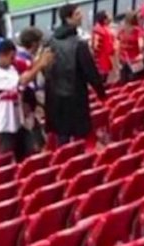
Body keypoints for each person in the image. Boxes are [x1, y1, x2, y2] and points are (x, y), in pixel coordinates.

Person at [44, 4, 106, 146]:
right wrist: (101, 94)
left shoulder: (51, 41)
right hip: (75, 97)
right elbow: (91, 73)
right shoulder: (79, 45)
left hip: (55, 97)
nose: (81, 16)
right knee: (78, 136)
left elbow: (45, 68)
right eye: (77, 14)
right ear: (68, 18)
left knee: (62, 135)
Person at [0, 40, 52, 160]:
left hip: (18, 121)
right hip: (4, 125)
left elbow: (24, 81)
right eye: (11, 57)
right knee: (4, 159)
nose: (13, 59)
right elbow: (22, 81)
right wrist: (41, 64)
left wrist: (39, 61)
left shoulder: (10, 68)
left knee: (27, 154)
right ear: (1, 55)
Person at [15, 27, 45, 152]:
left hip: (28, 104)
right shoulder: (23, 60)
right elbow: (23, 84)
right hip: (26, 104)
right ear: (34, 44)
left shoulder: (24, 58)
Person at [118, 12, 144, 83]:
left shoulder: (121, 31)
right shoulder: (138, 31)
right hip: (136, 62)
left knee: (125, 82)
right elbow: (141, 45)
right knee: (138, 83)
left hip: (124, 61)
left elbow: (117, 45)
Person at [92, 10, 116, 83]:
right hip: (103, 62)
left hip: (103, 61)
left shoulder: (100, 29)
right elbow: (96, 46)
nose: (111, 17)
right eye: (109, 16)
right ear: (104, 20)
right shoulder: (102, 31)